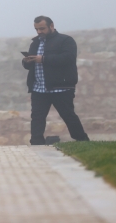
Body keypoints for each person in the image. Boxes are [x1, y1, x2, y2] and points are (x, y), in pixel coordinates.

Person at [22, 16, 90, 145]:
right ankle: (37, 144)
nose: (39, 32)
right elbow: (28, 66)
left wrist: (43, 59)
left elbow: (68, 58)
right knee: (37, 118)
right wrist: (27, 61)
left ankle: (82, 140)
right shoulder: (35, 43)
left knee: (68, 116)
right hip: (39, 88)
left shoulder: (66, 40)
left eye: (42, 28)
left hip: (61, 87)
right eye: (37, 29)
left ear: (51, 26)